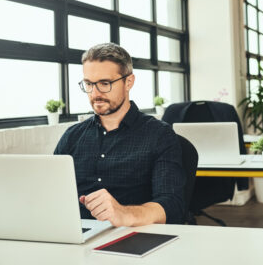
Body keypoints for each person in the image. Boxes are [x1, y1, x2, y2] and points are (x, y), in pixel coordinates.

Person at [54, 43, 185, 227]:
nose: (95, 93)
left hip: (134, 237)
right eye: (89, 84)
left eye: (105, 84)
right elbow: (52, 194)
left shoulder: (159, 135)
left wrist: (124, 214)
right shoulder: (72, 136)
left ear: (129, 82)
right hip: (75, 236)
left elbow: (172, 205)